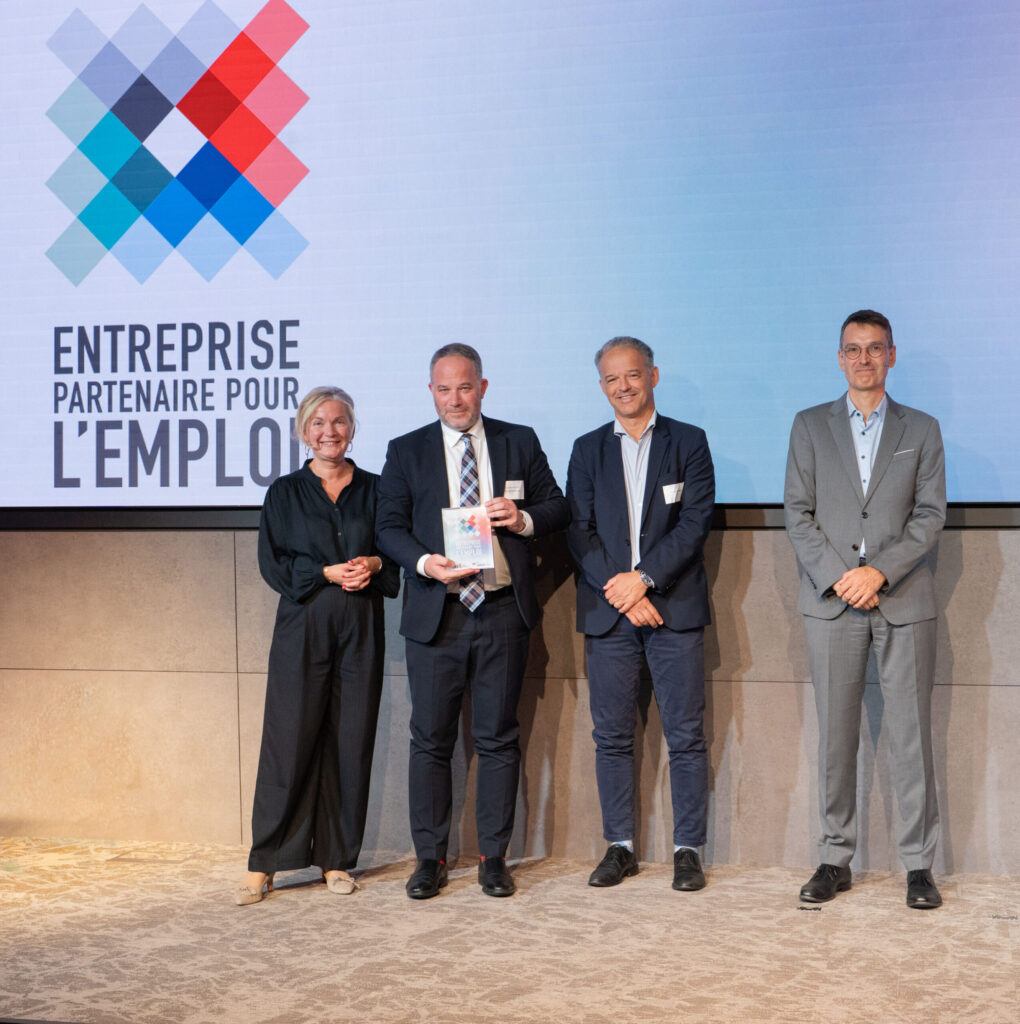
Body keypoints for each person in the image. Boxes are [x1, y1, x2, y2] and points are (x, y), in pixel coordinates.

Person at [376, 344, 570, 899]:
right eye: (444, 389)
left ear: (482, 387)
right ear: (431, 392)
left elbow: (558, 507)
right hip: (437, 615)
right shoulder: (406, 450)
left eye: (465, 387)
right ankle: (429, 860)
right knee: (430, 742)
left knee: (499, 739)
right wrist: (423, 562)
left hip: (502, 611)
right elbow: (387, 527)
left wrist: (523, 518)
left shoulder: (519, 440)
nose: (455, 399)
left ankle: (493, 858)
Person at [784, 310, 946, 909]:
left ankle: (918, 865)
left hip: (902, 599)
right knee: (836, 737)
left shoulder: (922, 428)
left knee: (911, 738)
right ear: (839, 358)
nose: (864, 359)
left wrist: (879, 572)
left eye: (875, 348)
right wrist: (842, 578)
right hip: (832, 605)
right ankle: (834, 858)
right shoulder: (809, 425)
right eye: (853, 349)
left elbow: (929, 515)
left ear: (891, 356)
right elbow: (797, 513)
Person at [236, 386, 399, 906]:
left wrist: (373, 563)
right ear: (304, 431)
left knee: (350, 742)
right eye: (319, 423)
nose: (330, 432)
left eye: (340, 421)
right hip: (303, 626)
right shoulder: (284, 492)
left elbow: (395, 554)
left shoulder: (378, 489)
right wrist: (324, 572)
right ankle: (264, 862)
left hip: (360, 625)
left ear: (353, 428)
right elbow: (273, 564)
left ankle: (336, 859)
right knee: (288, 742)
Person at [566, 336, 715, 891]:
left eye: (632, 375)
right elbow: (578, 531)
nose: (623, 387)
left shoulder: (689, 441)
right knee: (611, 737)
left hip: (673, 609)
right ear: (601, 386)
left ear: (653, 375)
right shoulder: (586, 449)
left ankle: (687, 850)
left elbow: (695, 523)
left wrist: (645, 580)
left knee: (686, 736)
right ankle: (620, 847)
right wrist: (623, 591)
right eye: (611, 379)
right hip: (610, 615)